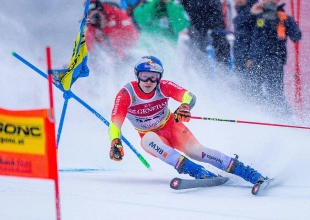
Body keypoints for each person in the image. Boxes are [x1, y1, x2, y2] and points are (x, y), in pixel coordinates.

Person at [108, 55, 268, 185]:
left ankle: (249, 173)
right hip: (152, 136)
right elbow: (115, 124)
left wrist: (185, 106)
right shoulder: (126, 94)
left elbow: (189, 96)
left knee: (197, 151)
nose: (149, 82)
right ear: (137, 76)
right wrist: (115, 142)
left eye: (154, 77)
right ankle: (198, 172)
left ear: (159, 78)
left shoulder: (163, 87)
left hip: (171, 127)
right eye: (145, 77)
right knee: (148, 140)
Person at [248, 0, 301, 115]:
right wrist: (253, 12)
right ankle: (272, 115)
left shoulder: (282, 18)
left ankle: (283, 117)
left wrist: (284, 22)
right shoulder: (256, 18)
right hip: (262, 60)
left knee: (271, 93)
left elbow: (296, 36)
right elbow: (297, 36)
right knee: (261, 92)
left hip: (268, 60)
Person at [180, 0, 230, 65]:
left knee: (221, 44)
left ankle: (223, 67)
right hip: (197, 26)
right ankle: (193, 66)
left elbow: (218, 18)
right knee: (196, 46)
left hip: (210, 25)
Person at [233, 0, 257, 93]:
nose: (238, 1)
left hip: (248, 58)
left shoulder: (252, 13)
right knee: (244, 87)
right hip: (240, 57)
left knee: (252, 88)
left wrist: (251, 57)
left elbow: (256, 38)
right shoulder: (242, 13)